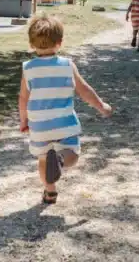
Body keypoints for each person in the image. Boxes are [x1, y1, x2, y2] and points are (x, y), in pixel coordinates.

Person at [19, 14, 113, 204]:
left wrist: (24, 121)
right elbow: (84, 90)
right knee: (73, 154)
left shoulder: (28, 68)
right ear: (59, 43)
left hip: (39, 126)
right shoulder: (67, 65)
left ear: (31, 43)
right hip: (64, 123)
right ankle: (61, 160)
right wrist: (101, 106)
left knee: (44, 159)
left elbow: (23, 98)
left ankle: (50, 191)